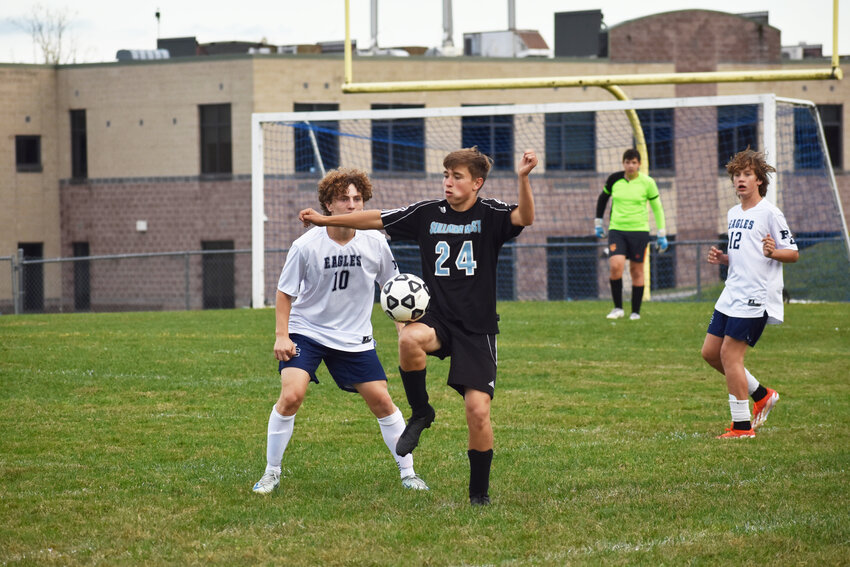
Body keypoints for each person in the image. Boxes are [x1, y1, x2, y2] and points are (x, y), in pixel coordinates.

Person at [299, 147, 538, 506]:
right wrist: (325, 221)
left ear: (477, 183)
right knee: (408, 337)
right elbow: (377, 218)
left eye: (457, 177)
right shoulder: (427, 213)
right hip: (438, 319)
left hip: (477, 329)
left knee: (478, 412)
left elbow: (526, 218)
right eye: (446, 175)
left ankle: (478, 494)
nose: (448, 182)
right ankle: (421, 411)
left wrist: (522, 178)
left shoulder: (490, 214)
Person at [252, 168, 429, 494]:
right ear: (328, 205)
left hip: (354, 337)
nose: (352, 204)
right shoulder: (305, 245)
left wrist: (404, 330)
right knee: (291, 396)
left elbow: (393, 290)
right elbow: (284, 293)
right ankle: (271, 472)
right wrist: (282, 335)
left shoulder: (376, 241)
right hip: (308, 331)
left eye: (357, 199)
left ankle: (409, 473)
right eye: (344, 199)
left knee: (382, 402)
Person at [701, 148, 798, 439]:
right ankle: (762, 395)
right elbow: (745, 255)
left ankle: (742, 427)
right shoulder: (733, 213)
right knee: (710, 353)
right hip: (732, 292)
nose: (740, 179)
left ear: (759, 181)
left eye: (747, 174)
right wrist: (724, 259)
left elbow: (792, 254)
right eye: (736, 175)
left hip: (756, 295)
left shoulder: (770, 213)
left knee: (731, 356)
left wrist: (774, 251)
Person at [594, 148, 668, 320]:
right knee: (615, 266)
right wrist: (598, 223)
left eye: (634, 162)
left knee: (636, 271)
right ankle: (617, 308)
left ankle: (635, 311)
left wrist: (661, 233)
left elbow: (657, 208)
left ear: (639, 164)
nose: (630, 165)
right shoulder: (614, 179)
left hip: (639, 231)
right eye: (627, 162)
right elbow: (602, 199)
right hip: (617, 230)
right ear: (623, 163)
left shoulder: (648, 183)